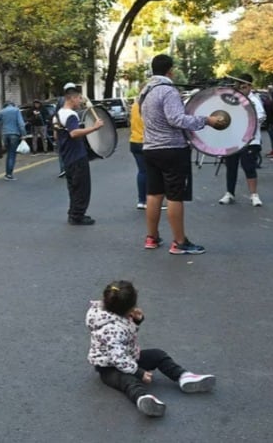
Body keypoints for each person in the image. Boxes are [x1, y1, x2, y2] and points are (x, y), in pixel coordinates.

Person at [85, 280, 215, 418]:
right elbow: (118, 359)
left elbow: (126, 336)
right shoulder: (111, 330)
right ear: (128, 309)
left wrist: (136, 320)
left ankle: (183, 376)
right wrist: (139, 372)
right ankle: (143, 398)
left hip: (128, 356)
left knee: (157, 355)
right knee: (129, 381)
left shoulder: (108, 312)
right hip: (109, 367)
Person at [139, 54, 226, 254]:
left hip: (150, 148)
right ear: (170, 70)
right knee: (174, 196)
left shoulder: (145, 91)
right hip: (172, 149)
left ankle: (151, 238)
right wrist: (207, 120)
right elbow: (176, 119)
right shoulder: (168, 91)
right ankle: (179, 242)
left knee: (153, 194)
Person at [54, 86, 103, 225]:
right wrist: (94, 127)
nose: (80, 101)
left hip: (66, 156)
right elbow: (74, 133)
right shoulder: (70, 115)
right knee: (82, 187)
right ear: (72, 98)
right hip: (77, 155)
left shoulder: (57, 115)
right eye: (79, 98)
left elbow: (56, 135)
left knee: (73, 187)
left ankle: (73, 212)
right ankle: (78, 215)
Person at [218, 75, 266, 206]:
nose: (241, 89)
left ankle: (254, 195)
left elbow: (261, 116)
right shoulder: (233, 99)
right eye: (238, 87)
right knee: (231, 166)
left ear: (250, 86)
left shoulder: (254, 100)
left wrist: (247, 119)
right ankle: (229, 193)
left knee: (249, 166)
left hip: (250, 139)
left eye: (244, 87)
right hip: (233, 139)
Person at [0, 100, 26, 181]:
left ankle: (7, 173)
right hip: (14, 134)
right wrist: (23, 134)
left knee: (8, 153)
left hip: (5, 134)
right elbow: (21, 124)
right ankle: (9, 174)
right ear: (13, 105)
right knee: (12, 154)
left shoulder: (2, 112)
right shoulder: (16, 110)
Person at [262, 85, 273, 157]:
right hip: (269, 120)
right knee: (272, 136)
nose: (269, 90)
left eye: (270, 89)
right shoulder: (267, 98)